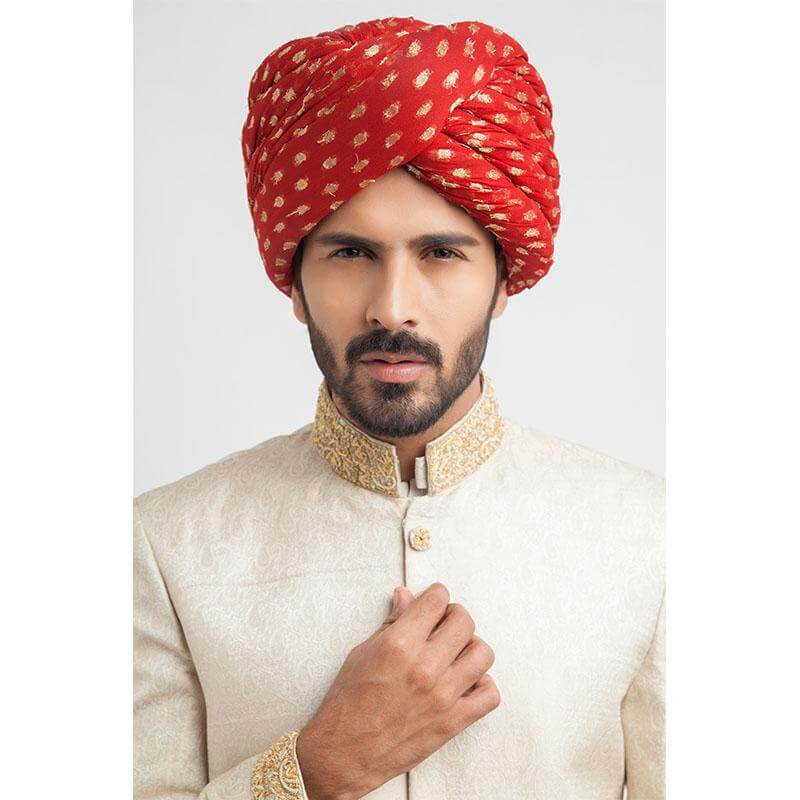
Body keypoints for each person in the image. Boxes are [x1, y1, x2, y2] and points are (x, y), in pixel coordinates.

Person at [134, 16, 665, 800]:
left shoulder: (654, 537)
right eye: (350, 252)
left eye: (441, 253)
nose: (393, 306)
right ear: (294, 282)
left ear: (504, 282)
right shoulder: (164, 546)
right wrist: (316, 772)